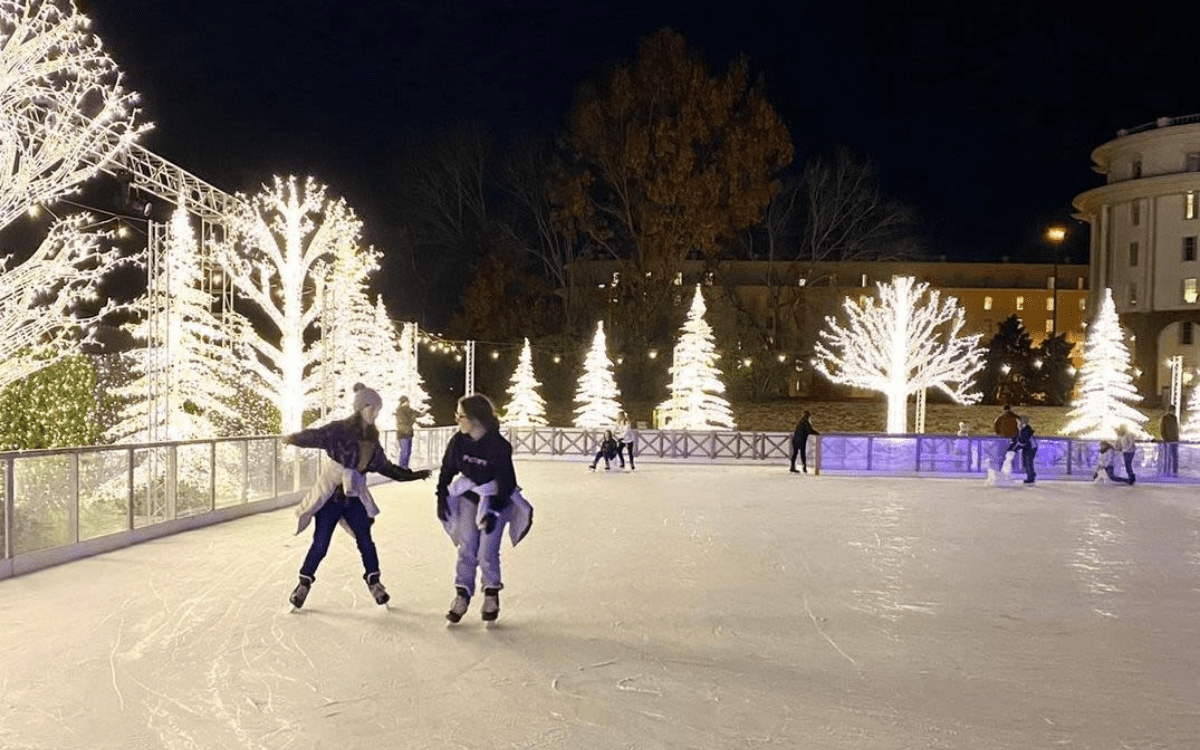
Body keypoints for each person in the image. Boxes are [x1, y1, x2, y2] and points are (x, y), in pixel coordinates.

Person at [284, 383, 431, 609]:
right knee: (321, 543)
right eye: (372, 408)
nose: (375, 413)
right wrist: (294, 438)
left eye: (378, 409)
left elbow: (386, 467)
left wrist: (413, 475)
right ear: (361, 408)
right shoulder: (340, 430)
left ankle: (374, 582)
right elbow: (317, 436)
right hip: (331, 498)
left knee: (365, 540)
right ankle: (303, 583)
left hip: (353, 499)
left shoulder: (372, 440)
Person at [436, 394, 532, 623]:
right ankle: (462, 594)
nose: (457, 420)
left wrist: (494, 511)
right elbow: (447, 470)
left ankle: (491, 593)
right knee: (467, 547)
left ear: (475, 419)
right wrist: (441, 497)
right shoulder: (458, 441)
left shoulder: (498, 446)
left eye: (461, 416)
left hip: (495, 499)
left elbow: (506, 483)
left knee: (487, 551)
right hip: (469, 498)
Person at [1007, 414, 1037, 484]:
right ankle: (1031, 474)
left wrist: (1014, 449)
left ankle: (1031, 477)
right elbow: (1017, 440)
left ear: (1022, 422)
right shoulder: (1022, 429)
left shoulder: (1026, 429)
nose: (1018, 423)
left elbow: (1022, 442)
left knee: (1028, 462)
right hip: (1027, 447)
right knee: (1025, 462)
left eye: (1019, 421)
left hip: (1031, 448)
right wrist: (1012, 447)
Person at [394, 395, 418, 470]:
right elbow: (405, 422)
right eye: (407, 401)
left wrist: (423, 413)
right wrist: (412, 419)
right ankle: (402, 468)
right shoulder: (400, 411)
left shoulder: (409, 410)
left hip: (409, 434)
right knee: (404, 452)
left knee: (408, 452)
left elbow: (416, 414)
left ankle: (405, 467)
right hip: (403, 434)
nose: (408, 403)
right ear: (403, 402)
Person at [1160, 405, 1180, 477]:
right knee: (1167, 457)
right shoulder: (1165, 418)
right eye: (1172, 410)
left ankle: (1175, 472)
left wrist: (1177, 438)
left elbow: (1176, 429)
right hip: (1168, 441)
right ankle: (1167, 471)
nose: (1173, 411)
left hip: (1174, 440)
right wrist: (1165, 439)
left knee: (1175, 457)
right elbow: (1162, 429)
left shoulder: (1175, 418)